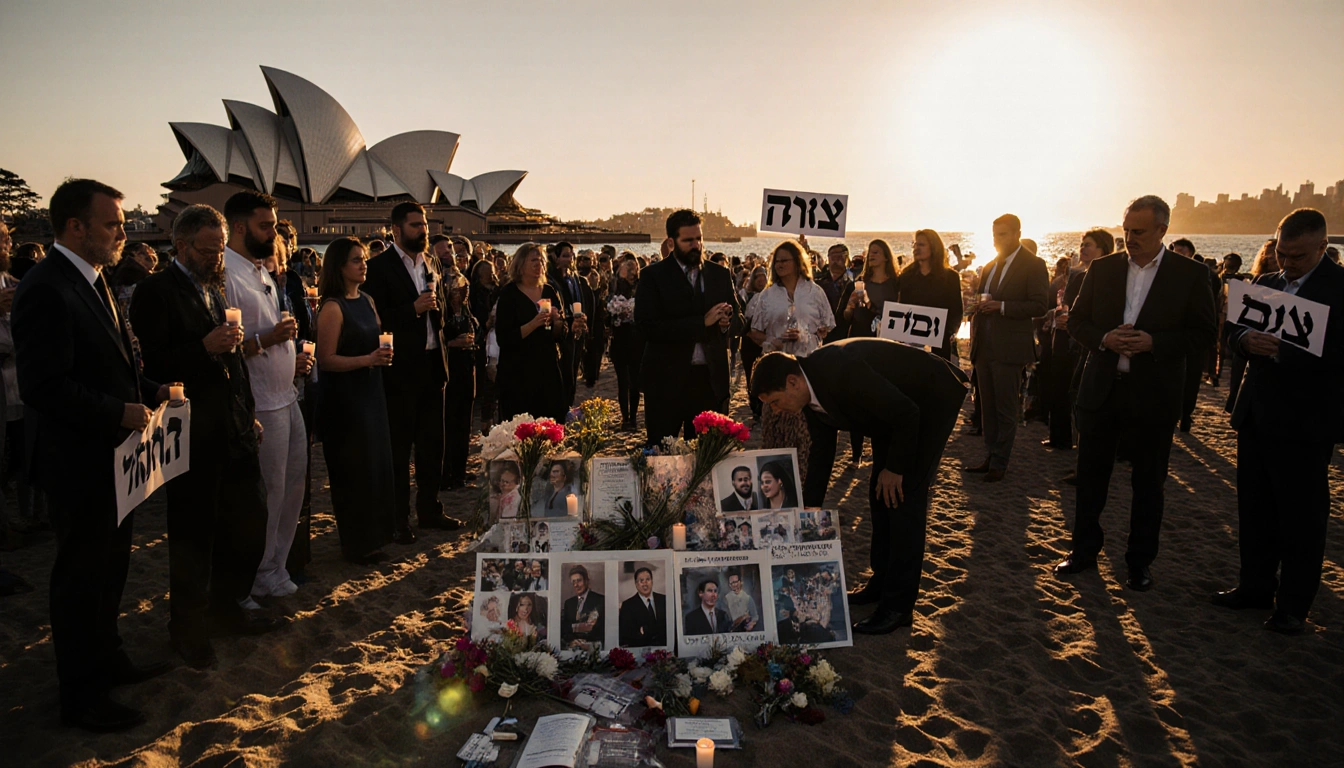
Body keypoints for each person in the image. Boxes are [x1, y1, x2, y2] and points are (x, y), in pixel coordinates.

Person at [12, 179, 172, 729]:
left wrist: (149, 389)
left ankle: (109, 658)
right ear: (75, 227)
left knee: (113, 567)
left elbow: (112, 362)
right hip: (76, 461)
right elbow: (43, 386)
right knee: (80, 577)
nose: (123, 232)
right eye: (112, 224)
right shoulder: (46, 287)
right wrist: (116, 411)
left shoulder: (96, 279)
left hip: (115, 458)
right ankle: (80, 695)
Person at [132, 204, 280, 670]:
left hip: (233, 424)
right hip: (192, 431)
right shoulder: (156, 291)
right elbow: (151, 365)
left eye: (220, 249)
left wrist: (248, 413)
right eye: (208, 249)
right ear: (180, 245)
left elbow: (234, 362)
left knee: (249, 519)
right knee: (195, 532)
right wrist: (202, 348)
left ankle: (229, 604)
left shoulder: (216, 288)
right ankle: (189, 627)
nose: (218, 257)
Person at [1054, 195, 1217, 592]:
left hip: (1154, 394)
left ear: (1163, 230)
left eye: (1139, 232)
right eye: (1125, 230)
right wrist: (1105, 339)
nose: (1129, 238)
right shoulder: (1103, 269)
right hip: (1102, 389)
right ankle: (1083, 551)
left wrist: (1154, 343)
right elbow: (1076, 321)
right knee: (1091, 477)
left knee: (1149, 483)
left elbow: (1204, 335)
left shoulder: (1190, 275)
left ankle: (1139, 562)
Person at [751, 339, 968, 634]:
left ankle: (898, 606)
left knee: (904, 498)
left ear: (792, 381)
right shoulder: (808, 390)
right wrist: (810, 508)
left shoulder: (840, 370)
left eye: (775, 402)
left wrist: (895, 468)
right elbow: (822, 452)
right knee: (879, 494)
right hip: (889, 414)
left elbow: (907, 413)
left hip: (927, 401)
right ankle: (880, 583)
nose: (776, 411)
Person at [1215, 209, 1342, 634]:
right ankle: (1254, 587)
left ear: (1323, 248)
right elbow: (1231, 332)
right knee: (1253, 509)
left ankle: (1293, 606)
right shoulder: (1266, 284)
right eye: (1281, 253)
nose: (1286, 264)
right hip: (1256, 414)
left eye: (1298, 257)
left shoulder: (1340, 288)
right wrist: (1244, 339)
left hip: (1307, 422)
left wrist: (1284, 352)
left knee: (1302, 518)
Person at [221, 191, 311, 600]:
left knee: (294, 486)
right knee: (269, 492)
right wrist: (269, 339)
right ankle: (259, 572)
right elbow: (228, 347)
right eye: (265, 225)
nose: (273, 232)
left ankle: (277, 564)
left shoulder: (263, 271)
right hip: (261, 402)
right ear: (239, 227)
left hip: (287, 395)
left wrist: (290, 358)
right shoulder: (227, 274)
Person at [362, 202, 458, 541]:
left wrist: (440, 310)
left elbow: (439, 307)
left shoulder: (428, 264)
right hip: (401, 370)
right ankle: (398, 518)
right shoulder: (378, 268)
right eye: (416, 225)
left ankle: (430, 508)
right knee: (400, 449)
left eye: (425, 224)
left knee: (433, 446)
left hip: (433, 365)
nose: (423, 230)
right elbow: (374, 319)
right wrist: (412, 309)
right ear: (397, 230)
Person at [313, 238, 397, 564]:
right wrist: (368, 359)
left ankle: (375, 536)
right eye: (355, 260)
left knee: (376, 466)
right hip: (345, 401)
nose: (363, 264)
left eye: (364, 259)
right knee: (353, 470)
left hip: (372, 392)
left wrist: (381, 357)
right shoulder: (333, 307)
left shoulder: (368, 300)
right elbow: (326, 360)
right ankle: (356, 543)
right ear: (339, 267)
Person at [635, 210, 740, 447]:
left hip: (709, 381)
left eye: (699, 239)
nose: (696, 245)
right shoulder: (653, 276)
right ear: (671, 242)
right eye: (688, 240)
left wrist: (726, 322)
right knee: (661, 457)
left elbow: (740, 319)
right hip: (666, 380)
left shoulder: (719, 274)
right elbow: (647, 327)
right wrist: (701, 323)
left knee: (707, 457)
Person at [964, 214, 1050, 482]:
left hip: (1010, 347)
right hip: (984, 344)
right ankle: (990, 455)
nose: (997, 240)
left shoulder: (1034, 264)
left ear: (1016, 234)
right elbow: (983, 299)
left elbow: (1040, 305)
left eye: (1002, 234)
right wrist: (974, 306)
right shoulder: (989, 266)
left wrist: (1001, 307)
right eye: (994, 235)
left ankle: (1000, 461)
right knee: (986, 407)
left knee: (1005, 407)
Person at [746, 240, 834, 484]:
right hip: (778, 371)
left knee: (809, 442)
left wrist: (806, 334)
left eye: (785, 260)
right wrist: (774, 339)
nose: (780, 265)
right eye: (777, 261)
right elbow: (754, 331)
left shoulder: (815, 292)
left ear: (798, 262)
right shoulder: (768, 295)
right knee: (778, 440)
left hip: (808, 372)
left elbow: (826, 328)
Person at [495, 243, 578, 421]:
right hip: (518, 372)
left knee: (549, 425)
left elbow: (560, 334)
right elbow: (504, 338)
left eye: (541, 260)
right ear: (520, 264)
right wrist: (533, 324)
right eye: (533, 259)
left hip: (547, 368)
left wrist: (557, 322)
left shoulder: (549, 290)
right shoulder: (509, 294)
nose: (538, 263)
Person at [1052, 229, 1115, 461]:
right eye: (1082, 245)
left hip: (1095, 347)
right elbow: (1068, 308)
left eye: (1088, 245)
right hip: (1072, 344)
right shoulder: (1079, 277)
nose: (1083, 249)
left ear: (1103, 250)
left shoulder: (1112, 279)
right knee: (1073, 396)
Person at [839, 239, 901, 462]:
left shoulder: (896, 285)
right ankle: (856, 454)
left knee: (880, 398)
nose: (872, 255)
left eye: (877, 252)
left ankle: (879, 451)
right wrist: (850, 307)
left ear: (886, 256)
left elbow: (899, 314)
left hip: (884, 345)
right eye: (870, 252)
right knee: (857, 397)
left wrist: (873, 308)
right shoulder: (859, 283)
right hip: (858, 340)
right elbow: (844, 316)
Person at [1168, 238, 1217, 433]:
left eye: (1182, 252)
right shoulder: (1164, 274)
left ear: (1191, 253)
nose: (1178, 255)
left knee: (1192, 377)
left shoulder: (1203, 274)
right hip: (1171, 336)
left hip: (1193, 336)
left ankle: (1186, 415)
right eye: (1174, 251)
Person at [897, 229, 964, 361]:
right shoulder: (906, 277)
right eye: (915, 245)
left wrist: (950, 333)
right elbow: (902, 308)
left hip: (941, 343)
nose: (916, 248)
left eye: (921, 245)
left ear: (934, 247)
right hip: (912, 343)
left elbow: (956, 311)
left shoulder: (951, 277)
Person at [440, 275, 478, 489]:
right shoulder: (443, 313)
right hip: (450, 369)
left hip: (467, 368)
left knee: (464, 423)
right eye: (458, 289)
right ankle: (446, 472)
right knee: (449, 422)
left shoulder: (466, 312)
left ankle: (460, 470)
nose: (462, 294)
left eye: (465, 289)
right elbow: (437, 338)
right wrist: (452, 343)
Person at [548, 241, 591, 408]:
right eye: (565, 256)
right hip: (563, 329)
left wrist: (582, 319)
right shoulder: (552, 279)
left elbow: (579, 300)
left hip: (576, 327)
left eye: (571, 256)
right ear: (555, 258)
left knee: (573, 370)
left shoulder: (574, 277)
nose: (569, 259)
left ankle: (568, 406)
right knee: (564, 372)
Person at [607, 257, 643, 430]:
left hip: (636, 340)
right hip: (620, 338)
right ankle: (625, 417)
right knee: (622, 381)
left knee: (635, 381)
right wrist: (616, 315)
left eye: (633, 268)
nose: (631, 271)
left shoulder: (642, 286)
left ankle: (634, 418)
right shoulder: (615, 286)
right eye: (627, 268)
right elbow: (607, 312)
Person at [468, 259, 499, 434]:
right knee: (486, 382)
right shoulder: (474, 293)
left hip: (497, 338)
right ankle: (485, 422)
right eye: (486, 271)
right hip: (482, 339)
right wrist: (485, 323)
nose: (490, 273)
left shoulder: (498, 290)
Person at [738, 267, 768, 420]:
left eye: (764, 277)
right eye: (758, 278)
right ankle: (753, 403)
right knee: (750, 372)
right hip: (748, 340)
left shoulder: (770, 296)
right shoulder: (744, 295)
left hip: (764, 340)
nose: (761, 281)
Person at [618, 566, 667, 647]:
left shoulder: (664, 600)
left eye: (648, 579)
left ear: (652, 581)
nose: (645, 583)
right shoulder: (628, 605)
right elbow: (625, 635)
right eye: (641, 581)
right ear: (636, 584)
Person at [561, 565, 605, 649]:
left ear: (586, 581)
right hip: (573, 647)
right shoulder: (568, 603)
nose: (576, 585)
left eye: (579, 581)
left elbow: (601, 628)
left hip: (593, 647)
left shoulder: (600, 600)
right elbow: (564, 627)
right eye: (573, 582)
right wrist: (572, 641)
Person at [815, 243, 854, 338]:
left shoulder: (855, 283)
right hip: (822, 334)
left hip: (844, 335)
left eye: (839, 256)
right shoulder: (818, 283)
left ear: (847, 258)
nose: (835, 259)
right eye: (832, 256)